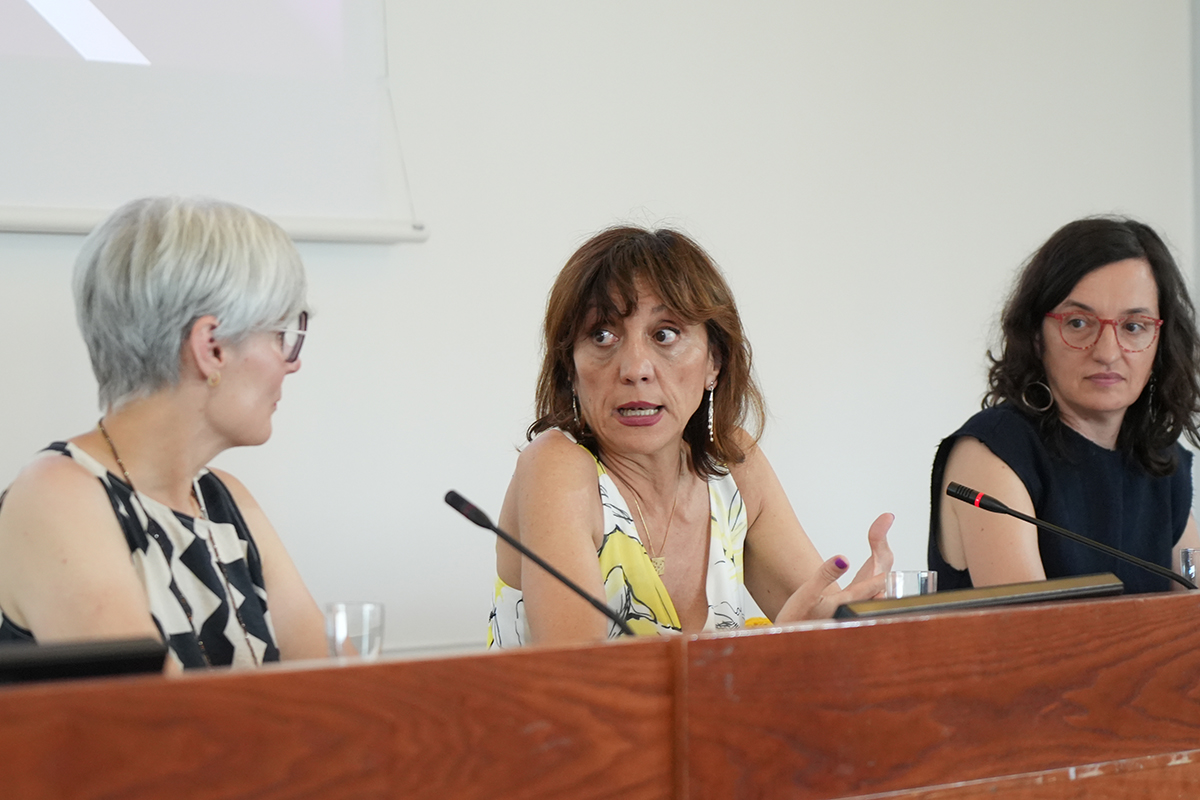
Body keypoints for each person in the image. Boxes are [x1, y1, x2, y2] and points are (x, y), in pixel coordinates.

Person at [488, 226, 894, 647]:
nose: (635, 369)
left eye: (665, 334)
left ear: (714, 361)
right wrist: (771, 653)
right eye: (602, 335)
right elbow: (584, 677)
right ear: (570, 369)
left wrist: (854, 619)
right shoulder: (554, 467)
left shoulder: (732, 466)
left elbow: (817, 626)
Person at [0, 196, 327, 670]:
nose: (291, 364)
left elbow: (341, 684)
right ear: (211, 348)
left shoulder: (224, 499)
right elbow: (155, 714)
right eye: (282, 336)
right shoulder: (55, 497)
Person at [930, 216, 1200, 593]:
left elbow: (1189, 611)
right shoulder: (995, 451)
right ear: (1036, 335)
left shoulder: (1160, 460)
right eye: (1078, 323)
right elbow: (1035, 628)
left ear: (1161, 341)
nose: (1107, 352)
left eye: (1133, 326)